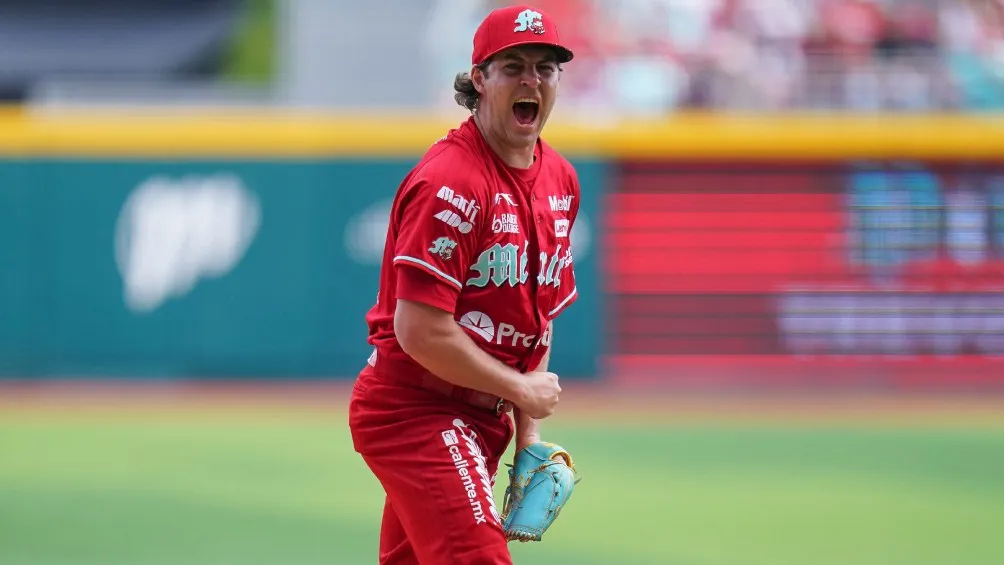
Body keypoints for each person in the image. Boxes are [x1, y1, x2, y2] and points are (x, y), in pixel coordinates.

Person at [347, 4, 581, 564]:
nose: (531, 80)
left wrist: (527, 437)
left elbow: (537, 320)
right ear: (479, 79)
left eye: (545, 68)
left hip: (480, 420)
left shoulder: (560, 178)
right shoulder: (450, 181)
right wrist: (520, 390)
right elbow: (420, 331)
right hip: (414, 411)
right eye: (513, 67)